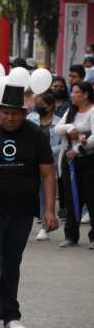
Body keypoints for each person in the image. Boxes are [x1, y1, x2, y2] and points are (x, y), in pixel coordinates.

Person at [0, 84, 58, 328]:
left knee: (11, 262)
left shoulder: (36, 134)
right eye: (6, 113)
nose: (10, 118)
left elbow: (48, 174)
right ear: (0, 111)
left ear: (24, 113)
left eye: (15, 113)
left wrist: (49, 210)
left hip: (22, 209)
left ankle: (11, 315)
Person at [54, 81, 94, 249]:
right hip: (70, 162)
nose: (72, 95)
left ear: (85, 94)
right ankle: (71, 236)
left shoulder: (92, 111)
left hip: (88, 161)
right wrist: (70, 127)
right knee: (71, 198)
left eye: (76, 92)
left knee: (91, 197)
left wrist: (77, 149)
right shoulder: (71, 111)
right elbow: (57, 129)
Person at [27, 91, 61, 240]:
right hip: (29, 163)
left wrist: (44, 153)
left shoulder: (59, 122)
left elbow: (61, 145)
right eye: (37, 104)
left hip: (48, 164)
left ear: (51, 105)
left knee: (44, 195)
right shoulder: (30, 119)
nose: (39, 107)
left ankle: (44, 227)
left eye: (42, 104)